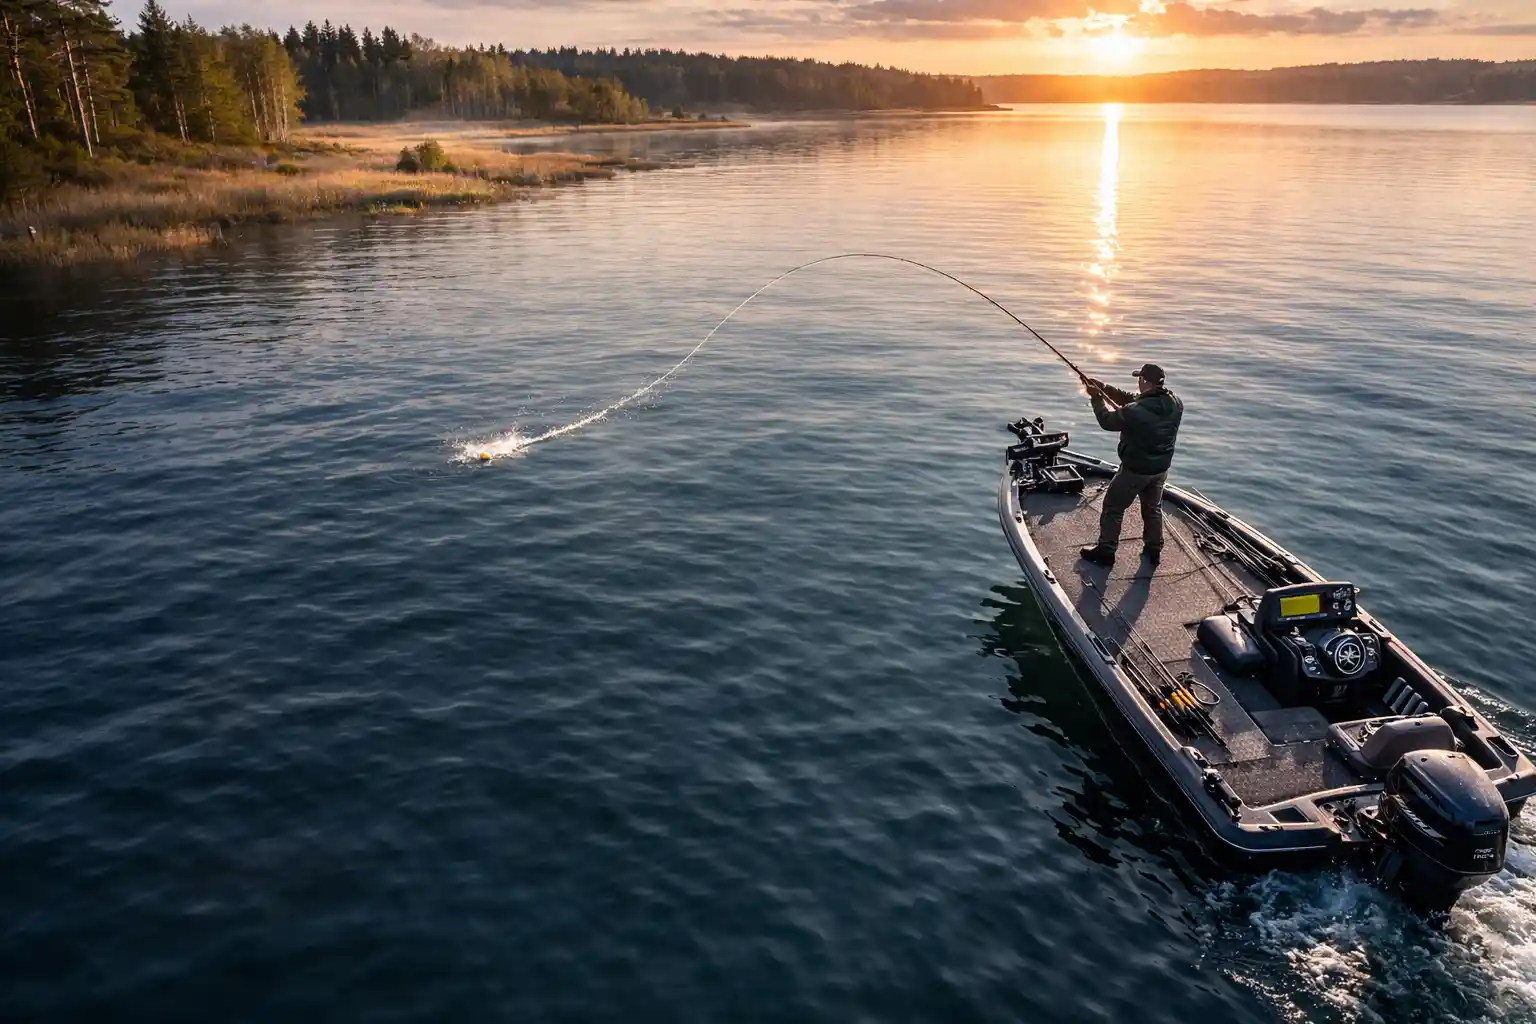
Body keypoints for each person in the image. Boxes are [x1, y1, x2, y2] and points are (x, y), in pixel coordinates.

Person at [1078, 363, 1183, 567]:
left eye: (1139, 378)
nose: (1137, 382)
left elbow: (1108, 421)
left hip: (1135, 470)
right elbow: (1133, 400)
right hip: (1160, 469)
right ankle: (1154, 551)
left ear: (1144, 381)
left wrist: (1096, 398)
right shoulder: (1175, 402)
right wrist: (1103, 387)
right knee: (1153, 509)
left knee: (1113, 508)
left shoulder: (1136, 411)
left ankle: (1105, 553)